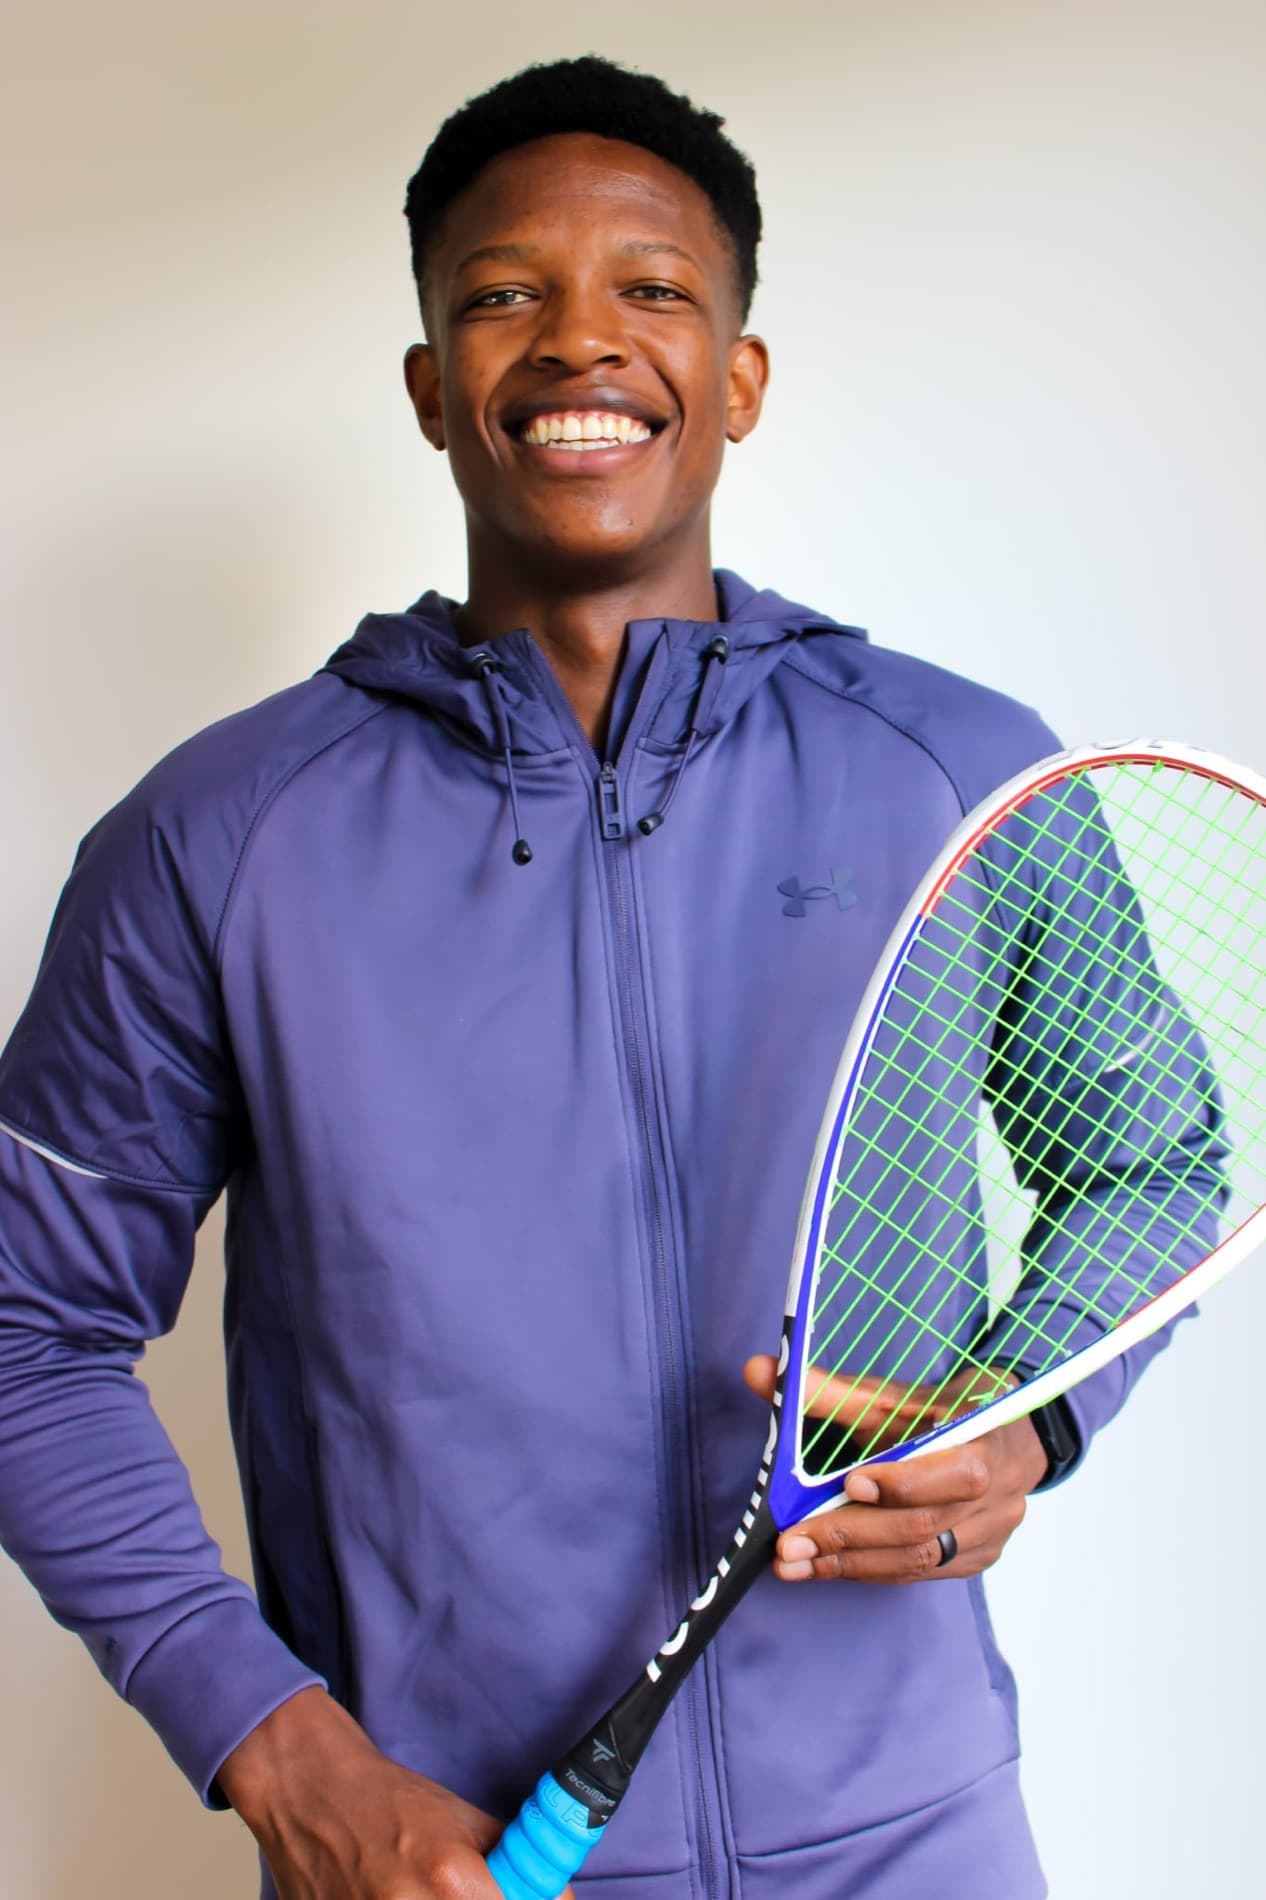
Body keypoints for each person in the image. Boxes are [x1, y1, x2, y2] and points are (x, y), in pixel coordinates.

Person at [0, 55, 1214, 1900]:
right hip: (448, 1857)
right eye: (503, 294)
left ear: (735, 377)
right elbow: (27, 1329)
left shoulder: (959, 771)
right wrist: (279, 1746)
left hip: (909, 1841)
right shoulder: (214, 838)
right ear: (428, 387)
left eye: (651, 290)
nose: (579, 343)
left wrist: (1026, 1418)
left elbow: (1151, 1162)